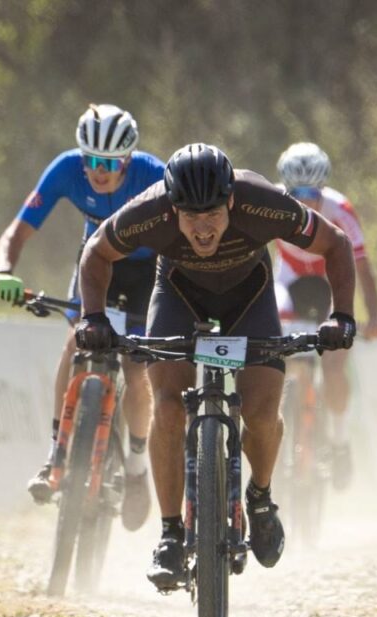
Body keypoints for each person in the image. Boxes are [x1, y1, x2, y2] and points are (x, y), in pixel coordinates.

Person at [73, 143, 357, 590]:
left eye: (213, 216)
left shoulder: (261, 203)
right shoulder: (151, 210)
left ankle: (260, 500)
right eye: (190, 218)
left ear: (231, 201)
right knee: (166, 407)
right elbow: (96, 252)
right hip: (178, 295)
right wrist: (92, 318)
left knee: (262, 414)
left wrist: (341, 314)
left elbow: (335, 244)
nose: (203, 230)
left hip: (250, 297)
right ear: (172, 208)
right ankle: (170, 533)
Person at [0, 104, 164, 530]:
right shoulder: (66, 169)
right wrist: (3, 271)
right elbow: (19, 229)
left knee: (136, 367)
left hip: (147, 270)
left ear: (127, 160)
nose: (98, 171)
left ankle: (138, 468)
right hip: (97, 264)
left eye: (108, 164)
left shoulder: (156, 175)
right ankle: (57, 455)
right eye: (91, 160)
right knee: (76, 344)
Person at [274, 142, 377, 490]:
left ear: (323, 188)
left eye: (311, 193)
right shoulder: (273, 205)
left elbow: (363, 268)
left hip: (330, 281)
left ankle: (338, 442)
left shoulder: (341, 211)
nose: (304, 201)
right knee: (276, 351)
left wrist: (375, 317)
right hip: (289, 280)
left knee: (335, 366)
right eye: (296, 193)